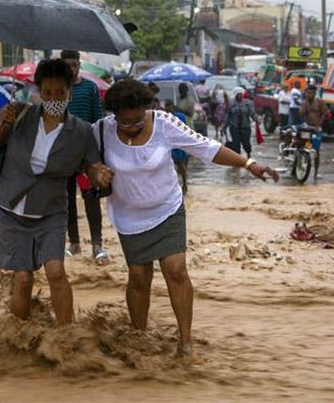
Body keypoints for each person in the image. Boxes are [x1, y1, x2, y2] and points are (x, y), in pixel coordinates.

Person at [94, 79, 278, 359]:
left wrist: (249, 164)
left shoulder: (165, 123)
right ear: (114, 116)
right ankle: (139, 337)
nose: (133, 126)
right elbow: (80, 158)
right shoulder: (101, 131)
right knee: (139, 276)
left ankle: (185, 342)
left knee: (176, 270)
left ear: (147, 109)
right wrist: (94, 170)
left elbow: (207, 148)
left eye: (138, 120)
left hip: (167, 209)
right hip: (129, 217)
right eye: (126, 123)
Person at [0, 58, 112, 325]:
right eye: (48, 92)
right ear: (39, 92)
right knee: (24, 276)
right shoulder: (18, 114)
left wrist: (100, 174)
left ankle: (67, 337)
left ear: (70, 93)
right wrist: (1, 126)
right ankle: (18, 336)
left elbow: (92, 166)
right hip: (10, 208)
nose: (54, 98)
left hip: (51, 211)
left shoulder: (82, 132)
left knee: (55, 271)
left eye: (60, 93)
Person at [60, 50, 108, 263]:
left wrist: (98, 156)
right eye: (68, 65)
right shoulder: (58, 91)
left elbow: (99, 121)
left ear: (79, 65)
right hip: (63, 154)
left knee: (91, 198)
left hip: (87, 154)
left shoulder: (89, 88)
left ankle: (97, 244)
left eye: (75, 65)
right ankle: (74, 243)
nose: (72, 69)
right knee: (67, 199)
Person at [298, 84, 328, 177]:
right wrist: (306, 104)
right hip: (307, 128)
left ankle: (316, 172)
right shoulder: (304, 102)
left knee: (316, 151)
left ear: (315, 94)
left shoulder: (320, 102)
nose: (309, 95)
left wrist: (318, 125)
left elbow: (325, 113)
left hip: (316, 129)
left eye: (311, 93)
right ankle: (297, 167)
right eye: (307, 93)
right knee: (300, 147)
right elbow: (300, 114)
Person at [164, 101, 190, 195]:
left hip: (179, 143)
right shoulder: (164, 117)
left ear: (173, 107)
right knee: (169, 165)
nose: (168, 109)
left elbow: (185, 128)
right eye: (166, 107)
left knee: (181, 164)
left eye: (169, 107)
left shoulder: (180, 116)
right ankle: (172, 186)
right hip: (169, 143)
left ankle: (185, 184)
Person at [224, 90, 259, 157]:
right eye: (238, 94)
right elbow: (228, 116)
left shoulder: (248, 103)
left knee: (246, 144)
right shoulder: (231, 104)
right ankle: (238, 159)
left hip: (245, 127)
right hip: (234, 127)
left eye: (241, 94)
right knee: (236, 144)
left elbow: (252, 113)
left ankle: (248, 155)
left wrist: (256, 120)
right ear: (235, 95)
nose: (239, 96)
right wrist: (224, 127)